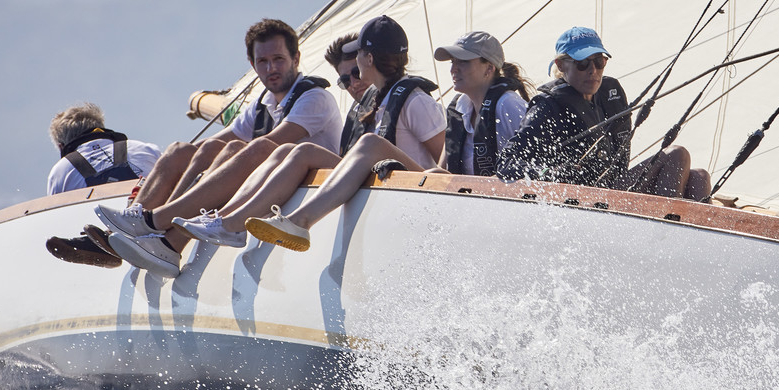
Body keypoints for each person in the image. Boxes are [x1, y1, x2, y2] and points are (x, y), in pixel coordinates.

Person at [96, 18, 343, 277]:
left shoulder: (315, 97)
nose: (271, 68)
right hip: (269, 185)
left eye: (279, 59)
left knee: (254, 148)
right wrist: (178, 159)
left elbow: (277, 142)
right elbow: (216, 142)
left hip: (303, 187)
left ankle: (159, 229)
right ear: (252, 65)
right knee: (188, 149)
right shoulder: (263, 104)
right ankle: (130, 235)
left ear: (296, 58)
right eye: (262, 62)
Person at [204, 15, 444, 252]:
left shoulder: (415, 101)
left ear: (369, 59)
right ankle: (230, 222)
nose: (353, 72)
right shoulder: (370, 103)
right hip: (381, 188)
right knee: (298, 150)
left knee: (371, 143)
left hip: (415, 194)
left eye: (358, 54)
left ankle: (300, 221)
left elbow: (447, 168)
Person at [496, 26, 709, 200]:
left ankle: (697, 242)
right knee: (676, 154)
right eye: (582, 64)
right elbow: (507, 164)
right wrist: (553, 173)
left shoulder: (611, 94)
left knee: (699, 177)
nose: (593, 71)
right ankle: (665, 233)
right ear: (561, 65)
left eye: (599, 62)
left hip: (613, 190)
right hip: (585, 199)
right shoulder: (547, 106)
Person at [42, 104, 163, 268]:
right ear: (99, 128)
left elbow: (60, 220)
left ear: (61, 146)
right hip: (159, 227)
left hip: (105, 246)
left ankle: (110, 241)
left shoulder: (60, 170)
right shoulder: (144, 148)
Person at [436, 30, 529, 176]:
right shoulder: (459, 108)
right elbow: (442, 173)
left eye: (463, 61)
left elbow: (537, 162)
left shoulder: (508, 104)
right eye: (453, 61)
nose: (453, 69)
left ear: (489, 68)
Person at [325, 31, 373, 155]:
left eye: (357, 73)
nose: (354, 83)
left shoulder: (410, 101)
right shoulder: (354, 116)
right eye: (345, 80)